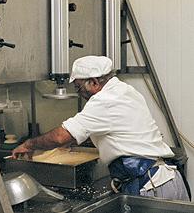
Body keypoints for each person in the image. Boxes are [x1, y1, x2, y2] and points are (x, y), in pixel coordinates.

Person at [12, 55, 190, 201]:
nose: (80, 94)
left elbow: (60, 136)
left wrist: (29, 145)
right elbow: (115, 129)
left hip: (150, 188)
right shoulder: (125, 90)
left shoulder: (104, 100)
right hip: (167, 181)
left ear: (94, 82)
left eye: (79, 88)